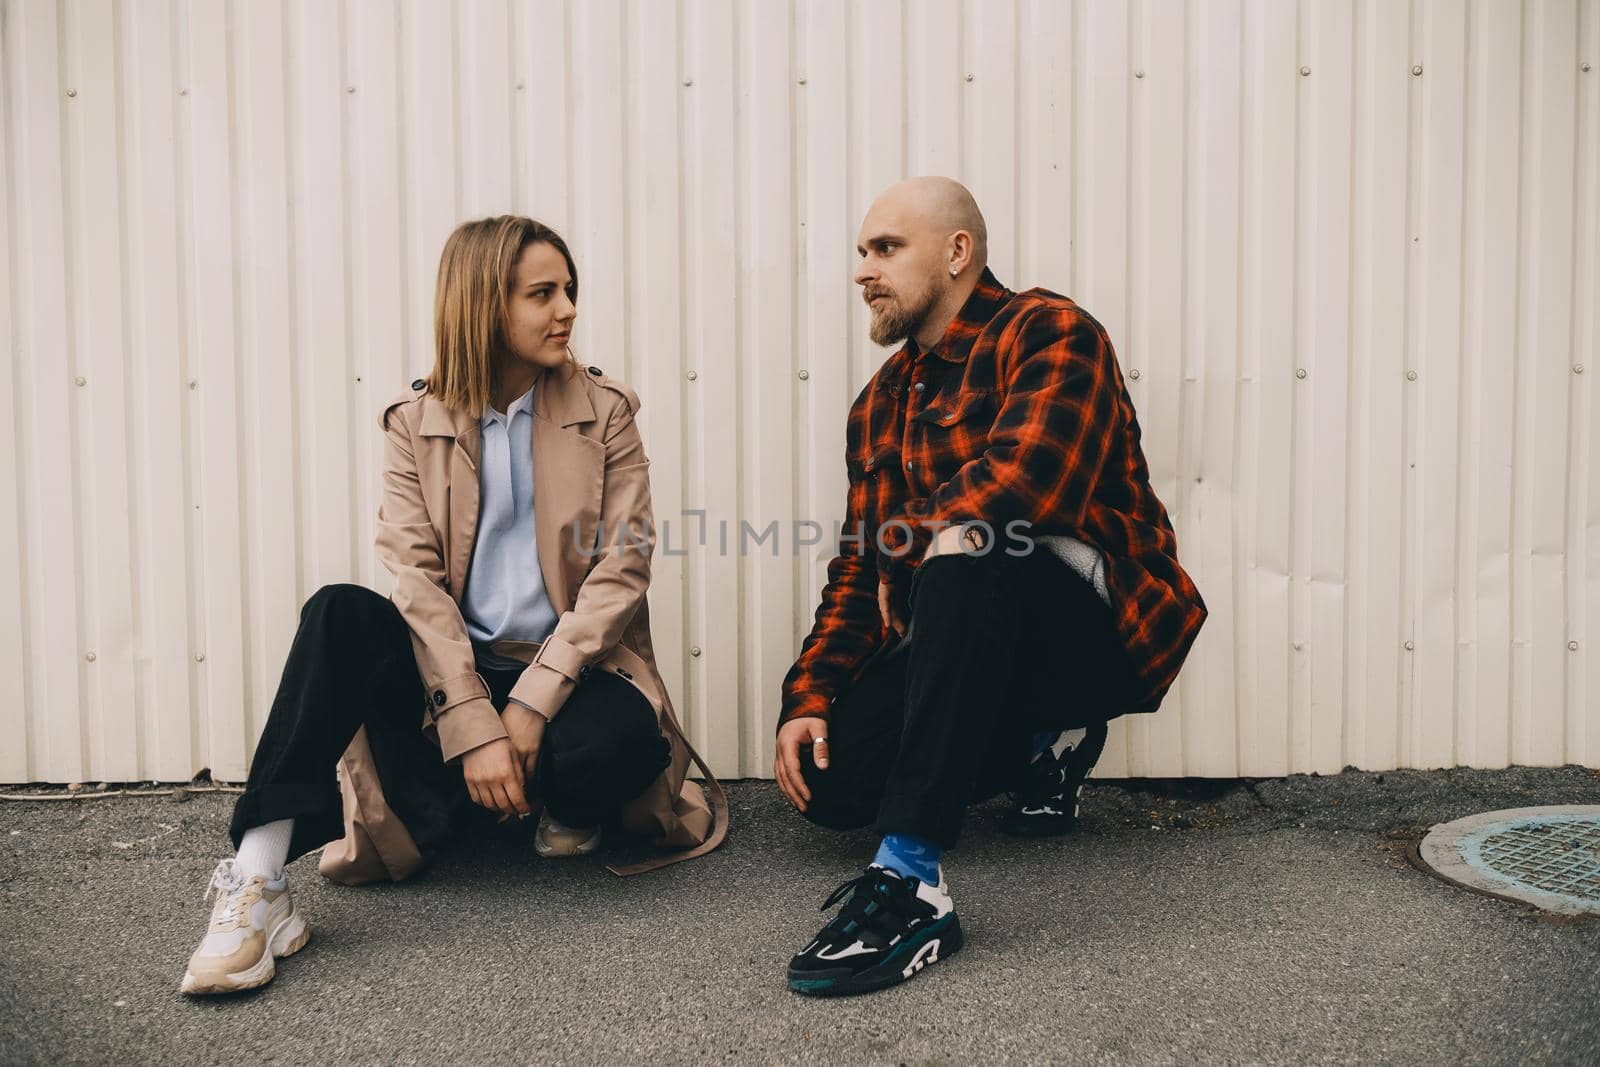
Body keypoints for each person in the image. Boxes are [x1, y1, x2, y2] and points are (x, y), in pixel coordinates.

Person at [181, 215, 725, 996]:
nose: (567, 308)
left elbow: (622, 565)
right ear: (482, 306)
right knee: (337, 610)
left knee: (615, 746)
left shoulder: (605, 412)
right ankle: (259, 881)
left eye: (569, 290)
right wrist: (471, 721)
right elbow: (414, 578)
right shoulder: (414, 424)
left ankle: (541, 796)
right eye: (543, 293)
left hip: (569, 680)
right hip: (447, 684)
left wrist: (533, 701)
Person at [776, 177, 1207, 996]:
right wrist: (811, 695)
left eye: (886, 248)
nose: (863, 270)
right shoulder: (879, 405)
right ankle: (1038, 752)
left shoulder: (1050, 333)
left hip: (1093, 629)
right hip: (968, 628)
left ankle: (911, 884)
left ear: (957, 252)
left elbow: (1024, 488)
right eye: (861, 253)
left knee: (970, 540)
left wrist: (909, 551)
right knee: (833, 785)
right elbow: (858, 567)